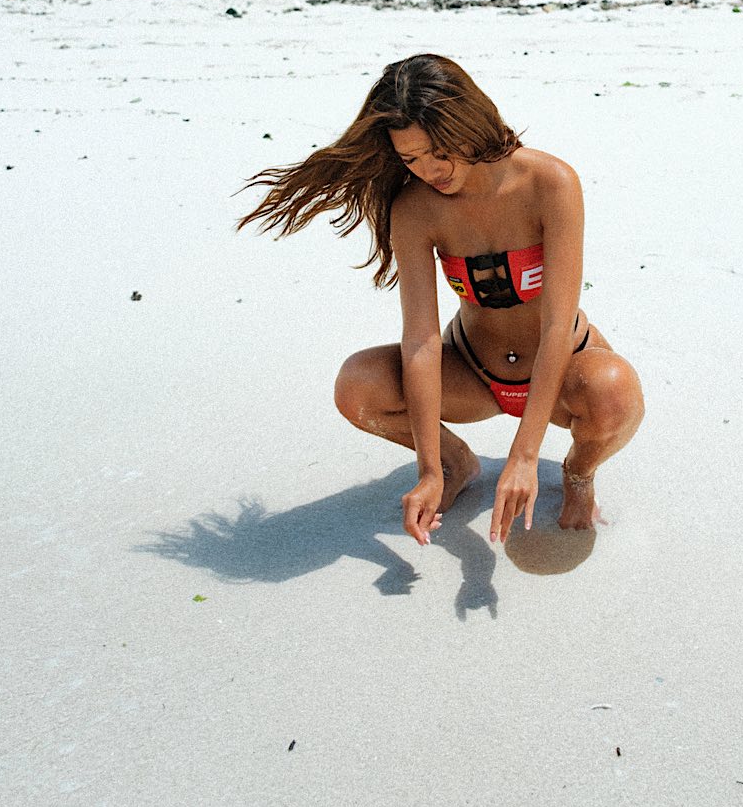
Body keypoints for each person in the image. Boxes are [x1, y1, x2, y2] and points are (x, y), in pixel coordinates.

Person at [237, 54, 644, 547]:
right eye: (410, 159)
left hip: (563, 371)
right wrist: (427, 468)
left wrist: (525, 455)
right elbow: (422, 340)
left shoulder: (550, 183)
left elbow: (558, 324)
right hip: (472, 372)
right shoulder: (415, 208)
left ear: (465, 122)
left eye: (438, 152)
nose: (429, 171)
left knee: (614, 391)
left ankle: (579, 474)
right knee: (357, 385)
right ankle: (456, 463)